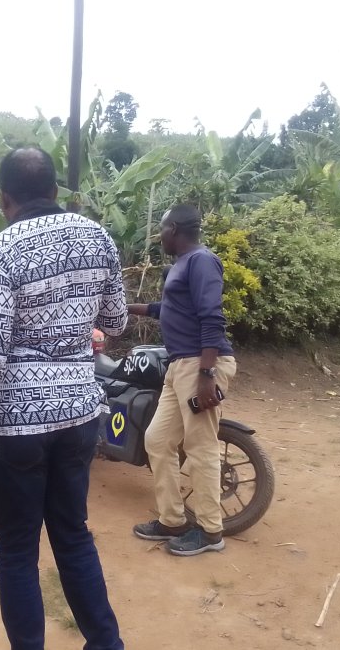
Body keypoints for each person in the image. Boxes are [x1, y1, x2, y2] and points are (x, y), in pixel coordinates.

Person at [0, 148, 127, 650]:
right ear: (54, 191)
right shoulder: (98, 237)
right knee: (73, 536)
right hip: (78, 416)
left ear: (3, 199)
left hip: (15, 429)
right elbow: (115, 322)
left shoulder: (1, 252)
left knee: (17, 552)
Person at [131, 204, 237, 556]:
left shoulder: (201, 261)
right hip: (180, 365)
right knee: (158, 440)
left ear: (173, 229)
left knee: (200, 446)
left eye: (161, 229)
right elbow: (167, 310)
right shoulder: (181, 265)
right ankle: (172, 520)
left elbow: (212, 317)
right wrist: (124, 308)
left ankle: (210, 531)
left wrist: (207, 374)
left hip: (200, 365)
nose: (159, 236)